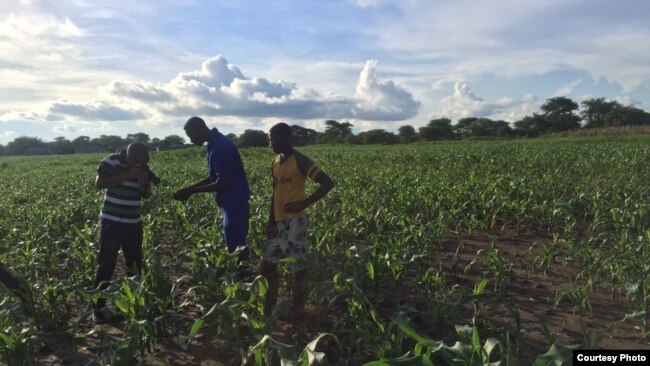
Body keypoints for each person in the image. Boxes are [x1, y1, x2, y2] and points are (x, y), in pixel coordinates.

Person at [261, 122, 335, 317]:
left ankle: (297, 308)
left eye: (274, 139)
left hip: (295, 222)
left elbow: (327, 183)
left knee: (297, 268)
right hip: (278, 223)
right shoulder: (275, 163)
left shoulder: (300, 160)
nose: (271, 144)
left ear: (287, 139)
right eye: (270, 140)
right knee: (267, 264)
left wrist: (304, 203)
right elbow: (275, 193)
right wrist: (271, 221)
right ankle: (270, 305)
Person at [173, 116, 251, 264]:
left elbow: (223, 183)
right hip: (230, 203)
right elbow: (213, 176)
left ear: (199, 129)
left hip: (234, 203)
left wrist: (191, 191)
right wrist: (189, 188)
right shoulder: (215, 144)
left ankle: (241, 278)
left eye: (191, 136)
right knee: (234, 244)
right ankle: (238, 275)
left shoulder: (221, 146)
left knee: (237, 246)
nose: (190, 140)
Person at [93, 142, 151, 323]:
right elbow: (100, 184)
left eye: (141, 163)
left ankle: (134, 305)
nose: (138, 165)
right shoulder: (111, 162)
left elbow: (146, 194)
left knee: (134, 265)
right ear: (127, 156)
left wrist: (142, 184)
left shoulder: (142, 166)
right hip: (112, 221)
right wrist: (128, 174)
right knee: (106, 264)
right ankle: (99, 310)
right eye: (135, 162)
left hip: (133, 223)